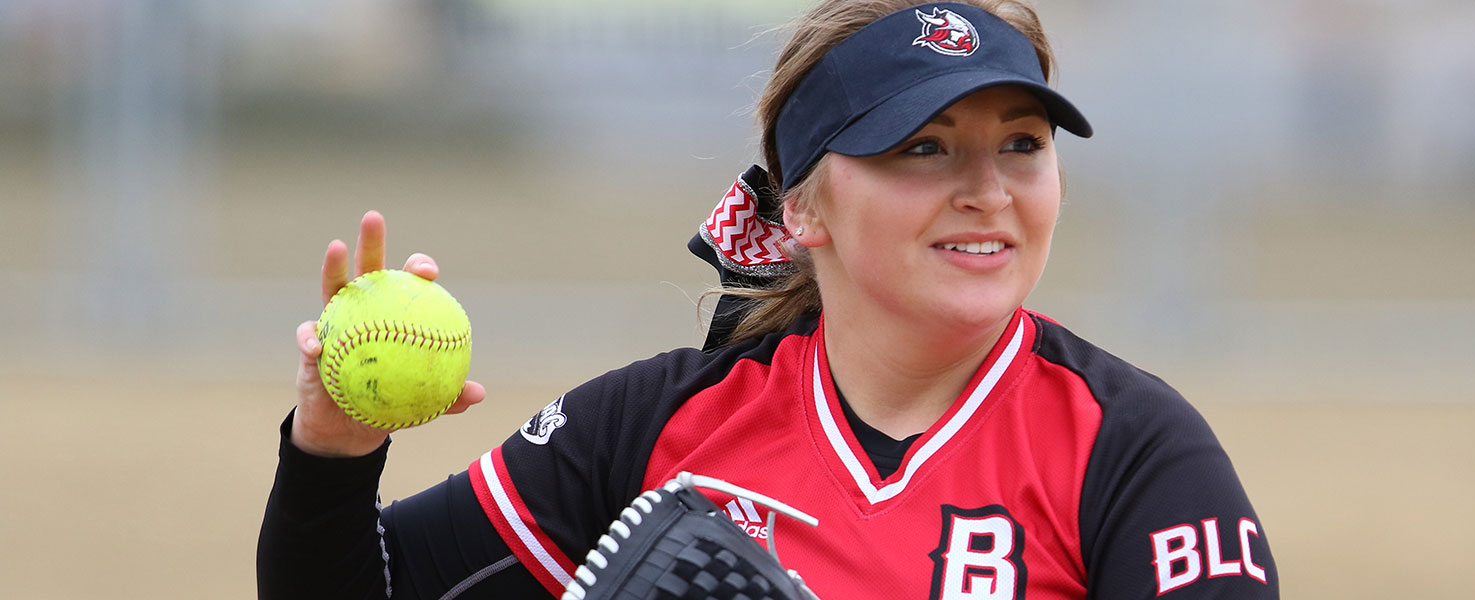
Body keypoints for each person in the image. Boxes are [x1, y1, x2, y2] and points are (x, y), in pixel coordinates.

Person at [257, 1, 1278, 598]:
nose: (989, 189)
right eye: (922, 148)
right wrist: (331, 455)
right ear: (803, 211)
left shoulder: (1130, 448)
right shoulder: (658, 423)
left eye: (1023, 144)